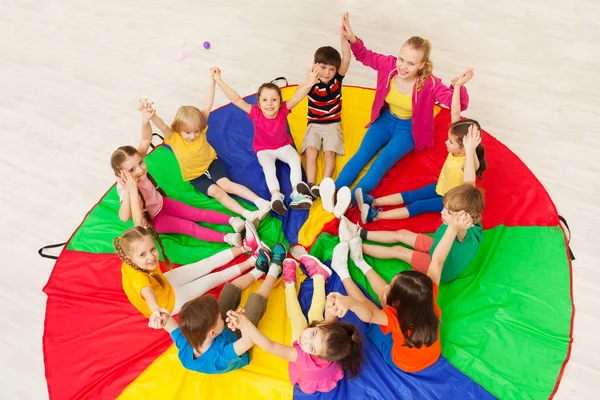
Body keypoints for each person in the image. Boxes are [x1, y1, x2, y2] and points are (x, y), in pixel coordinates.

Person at [320, 13, 472, 210]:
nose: (403, 66)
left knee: (381, 163)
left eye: (410, 63)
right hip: (385, 120)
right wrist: (352, 39)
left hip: (408, 129)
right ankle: (332, 192)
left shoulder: (430, 84)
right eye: (401, 59)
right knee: (362, 154)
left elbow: (458, 103)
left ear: (422, 65)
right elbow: (365, 55)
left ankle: (347, 201)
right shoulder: (389, 65)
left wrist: (457, 87)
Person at [328, 209, 472, 372]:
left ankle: (342, 271)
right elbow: (437, 261)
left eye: (390, 286)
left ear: (397, 305)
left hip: (401, 361)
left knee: (371, 307)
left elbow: (370, 315)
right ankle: (360, 262)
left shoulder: (396, 319)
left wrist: (349, 302)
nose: (387, 285)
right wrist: (453, 228)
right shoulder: (426, 297)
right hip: (432, 355)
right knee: (384, 299)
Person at [111, 100, 247, 246]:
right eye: (132, 170)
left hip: (162, 203)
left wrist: (145, 120)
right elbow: (128, 219)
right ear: (121, 175)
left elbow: (145, 140)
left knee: (196, 213)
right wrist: (132, 190)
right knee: (190, 227)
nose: (140, 169)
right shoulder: (126, 189)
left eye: (141, 162)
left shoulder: (136, 165)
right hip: (155, 219)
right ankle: (227, 238)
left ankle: (232, 220)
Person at [226, 247, 362, 393]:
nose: (305, 340)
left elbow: (270, 345)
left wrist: (246, 324)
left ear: (316, 355)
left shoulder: (302, 354)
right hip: (325, 343)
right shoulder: (332, 344)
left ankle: (289, 284)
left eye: (311, 348)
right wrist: (330, 305)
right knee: (315, 314)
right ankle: (319, 277)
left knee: (296, 317)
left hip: (312, 371)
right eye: (313, 334)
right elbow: (329, 321)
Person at [356, 73, 486, 223]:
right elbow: (455, 114)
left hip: (450, 200)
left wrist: (470, 150)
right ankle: (373, 201)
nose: (446, 142)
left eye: (450, 142)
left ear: (464, 147)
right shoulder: (460, 148)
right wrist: (457, 87)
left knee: (418, 205)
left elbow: (469, 184)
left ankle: (375, 216)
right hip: (441, 186)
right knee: (412, 195)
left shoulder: (469, 161)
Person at [147, 74, 271, 224]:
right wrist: (152, 116)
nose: (193, 136)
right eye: (188, 133)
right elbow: (161, 126)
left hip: (211, 163)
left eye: (196, 131)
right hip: (195, 177)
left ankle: (260, 202)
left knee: (226, 185)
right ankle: (248, 214)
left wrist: (212, 82)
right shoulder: (174, 138)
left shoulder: (201, 128)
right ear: (178, 129)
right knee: (218, 192)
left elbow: (207, 106)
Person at [157, 243, 287, 374]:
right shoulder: (221, 355)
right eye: (220, 317)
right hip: (239, 340)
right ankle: (275, 270)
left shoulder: (188, 339)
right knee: (255, 301)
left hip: (219, 333)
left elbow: (169, 324)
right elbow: (247, 342)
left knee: (229, 289)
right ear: (213, 332)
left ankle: (258, 270)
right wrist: (243, 324)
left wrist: (160, 317)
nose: (221, 314)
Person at [214, 67, 322, 215]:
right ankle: (276, 195)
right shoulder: (256, 113)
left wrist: (309, 84)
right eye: (265, 100)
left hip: (283, 146)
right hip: (264, 150)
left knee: (295, 160)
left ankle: (297, 193)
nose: (269, 104)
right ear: (258, 103)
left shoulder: (284, 109)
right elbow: (236, 99)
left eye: (274, 100)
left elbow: (297, 97)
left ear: (280, 101)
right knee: (269, 169)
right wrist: (219, 80)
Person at [114, 220, 264, 322]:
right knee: (212, 279)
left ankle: (246, 247)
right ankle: (253, 260)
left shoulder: (131, 256)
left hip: (164, 283)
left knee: (205, 264)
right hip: (168, 303)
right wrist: (155, 311)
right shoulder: (138, 278)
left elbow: (138, 227)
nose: (151, 257)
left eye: (152, 249)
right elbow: (148, 293)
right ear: (130, 258)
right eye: (143, 254)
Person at [296, 20, 351, 201]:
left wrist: (344, 38)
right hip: (314, 124)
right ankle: (311, 185)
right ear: (315, 65)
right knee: (311, 151)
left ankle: (325, 184)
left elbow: (347, 58)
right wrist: (309, 80)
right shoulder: (311, 83)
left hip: (332, 125)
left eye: (332, 69)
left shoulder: (337, 80)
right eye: (323, 67)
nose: (327, 73)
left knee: (329, 154)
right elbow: (297, 95)